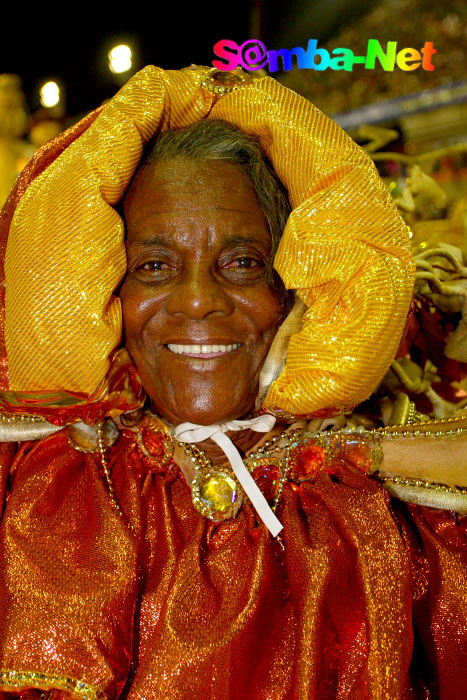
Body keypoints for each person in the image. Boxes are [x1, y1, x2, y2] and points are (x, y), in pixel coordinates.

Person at [0, 64, 465, 700]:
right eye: (155, 266)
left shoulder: (386, 496)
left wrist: (347, 459)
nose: (198, 302)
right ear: (104, 286)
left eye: (242, 264)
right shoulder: (50, 485)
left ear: (294, 286)